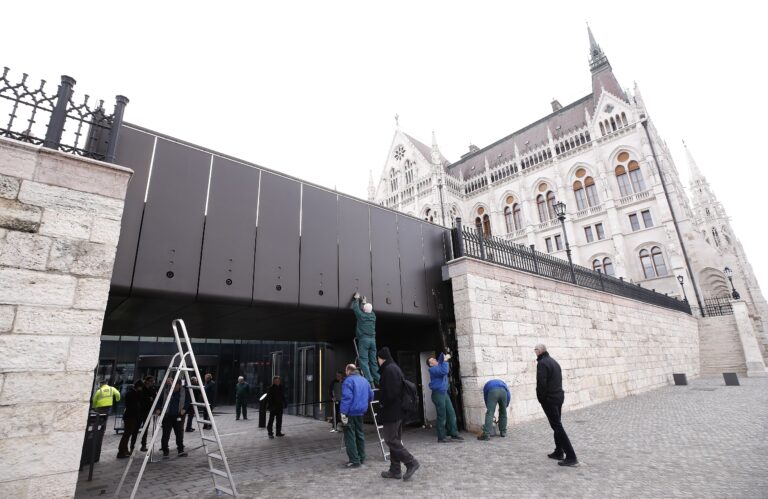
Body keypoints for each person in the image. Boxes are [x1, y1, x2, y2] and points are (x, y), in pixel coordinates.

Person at [377, 347, 420, 481]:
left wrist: (382, 402)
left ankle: (411, 462)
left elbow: (391, 393)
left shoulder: (389, 370)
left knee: (390, 439)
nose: (378, 361)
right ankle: (395, 470)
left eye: (378, 359)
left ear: (381, 358)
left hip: (392, 412)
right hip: (397, 411)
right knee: (394, 439)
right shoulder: (394, 368)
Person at [535, 344, 578, 467]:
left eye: (535, 350)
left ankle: (571, 456)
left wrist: (541, 398)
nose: (535, 352)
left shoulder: (542, 363)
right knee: (557, 425)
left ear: (539, 351)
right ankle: (559, 451)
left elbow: (541, 384)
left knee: (557, 427)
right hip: (558, 397)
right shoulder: (554, 362)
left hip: (550, 399)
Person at [340, 364, 374, 468]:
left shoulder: (348, 381)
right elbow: (371, 396)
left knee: (350, 436)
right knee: (360, 434)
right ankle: (361, 457)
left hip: (350, 412)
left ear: (348, 371)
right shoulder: (365, 380)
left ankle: (354, 460)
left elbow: (347, 398)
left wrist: (343, 412)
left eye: (345, 371)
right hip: (361, 411)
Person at [427, 352, 464, 443]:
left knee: (451, 413)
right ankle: (441, 436)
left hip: (444, 393)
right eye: (432, 360)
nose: (434, 360)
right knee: (442, 415)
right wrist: (445, 360)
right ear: (431, 364)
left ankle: (454, 433)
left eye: (434, 359)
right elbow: (444, 371)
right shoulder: (432, 369)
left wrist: (443, 358)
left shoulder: (439, 366)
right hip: (438, 394)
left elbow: (441, 363)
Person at [155, 378, 190, 458]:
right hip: (167, 416)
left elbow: (187, 401)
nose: (173, 387)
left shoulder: (184, 391)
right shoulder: (166, 391)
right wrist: (158, 409)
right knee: (165, 434)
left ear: (180, 385)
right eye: (172, 385)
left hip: (178, 416)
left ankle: (180, 450)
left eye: (175, 385)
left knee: (179, 433)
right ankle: (165, 451)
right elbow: (159, 401)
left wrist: (184, 409)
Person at [351, 293, 379, 387]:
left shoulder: (361, 316)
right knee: (373, 362)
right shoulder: (373, 316)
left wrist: (356, 299)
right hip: (373, 341)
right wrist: (364, 302)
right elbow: (365, 310)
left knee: (363, 361)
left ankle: (370, 382)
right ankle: (378, 380)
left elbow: (355, 308)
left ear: (364, 310)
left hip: (364, 340)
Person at [117, 381, 144, 458]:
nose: (141, 389)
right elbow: (134, 405)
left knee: (127, 434)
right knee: (127, 434)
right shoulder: (132, 394)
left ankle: (124, 450)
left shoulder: (134, 393)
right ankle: (121, 451)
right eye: (141, 387)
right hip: (130, 417)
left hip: (131, 416)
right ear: (138, 387)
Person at [139, 376, 157, 452]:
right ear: (147, 381)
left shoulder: (152, 389)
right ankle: (132, 446)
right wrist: (149, 398)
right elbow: (141, 398)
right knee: (136, 428)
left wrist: (151, 399)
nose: (152, 383)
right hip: (140, 411)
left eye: (153, 381)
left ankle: (143, 445)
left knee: (145, 428)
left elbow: (155, 397)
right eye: (151, 381)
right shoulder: (142, 388)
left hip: (148, 411)